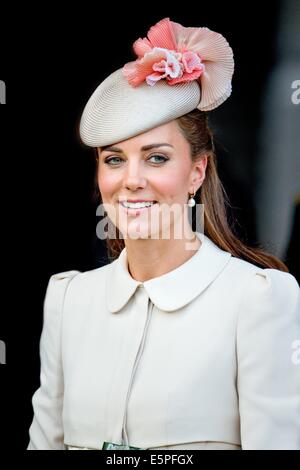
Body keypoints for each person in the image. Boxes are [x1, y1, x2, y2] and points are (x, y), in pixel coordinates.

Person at [28, 18, 300, 450]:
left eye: (156, 158)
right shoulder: (69, 298)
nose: (131, 180)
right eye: (114, 160)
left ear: (197, 171)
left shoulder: (258, 298)